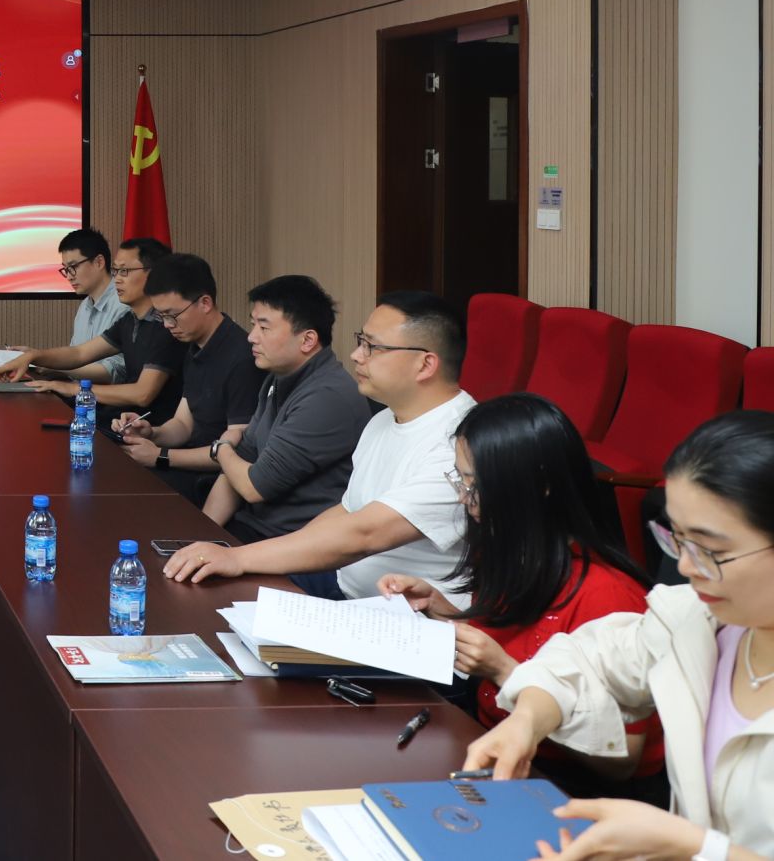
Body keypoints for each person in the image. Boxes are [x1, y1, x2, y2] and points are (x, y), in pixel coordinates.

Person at [464, 411, 774, 861]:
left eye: (711, 550)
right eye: (677, 539)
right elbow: (589, 658)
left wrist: (693, 845)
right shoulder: (694, 619)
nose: (685, 566)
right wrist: (526, 720)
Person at [376, 393, 665, 804]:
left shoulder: (609, 596)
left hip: (570, 786)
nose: (463, 497)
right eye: (460, 479)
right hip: (490, 744)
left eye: (474, 484)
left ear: (539, 486)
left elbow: (621, 762)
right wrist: (445, 611)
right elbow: (518, 639)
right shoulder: (509, 551)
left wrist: (502, 670)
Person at [161, 291, 474, 598]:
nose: (356, 355)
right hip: (340, 580)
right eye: (360, 341)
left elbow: (364, 534)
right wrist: (263, 556)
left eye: (372, 346)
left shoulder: (460, 444)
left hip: (398, 611)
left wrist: (237, 558)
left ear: (425, 364)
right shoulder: (383, 419)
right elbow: (347, 510)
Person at [203, 275, 369, 544]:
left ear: (307, 340)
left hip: (290, 543)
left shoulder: (326, 397)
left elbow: (253, 487)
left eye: (264, 327)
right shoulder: (278, 378)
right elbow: (240, 461)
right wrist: (202, 534)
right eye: (253, 324)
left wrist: (220, 448)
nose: (251, 337)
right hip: (252, 527)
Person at [109, 252, 264, 504]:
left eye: (172, 315)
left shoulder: (243, 358)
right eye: (161, 316)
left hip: (217, 482)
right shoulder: (194, 347)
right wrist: (151, 432)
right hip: (187, 465)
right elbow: (183, 424)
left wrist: (160, 456)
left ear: (205, 303)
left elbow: (238, 451)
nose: (167, 325)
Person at [0, 237, 185, 427]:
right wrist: (33, 356)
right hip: (122, 419)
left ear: (154, 275)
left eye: (124, 271)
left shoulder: (167, 326)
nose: (117, 279)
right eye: (116, 270)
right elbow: (80, 353)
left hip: (148, 429)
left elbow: (142, 394)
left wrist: (73, 388)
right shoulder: (130, 320)